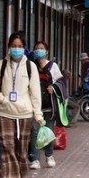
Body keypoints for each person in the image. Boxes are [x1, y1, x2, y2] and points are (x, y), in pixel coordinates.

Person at [0, 32, 44, 178]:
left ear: (24, 48)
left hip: (25, 114)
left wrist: (38, 115)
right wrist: (2, 99)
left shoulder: (31, 67)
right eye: (13, 46)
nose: (16, 49)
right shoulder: (0, 66)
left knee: (21, 149)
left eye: (19, 46)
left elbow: (35, 93)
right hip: (5, 113)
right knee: (6, 146)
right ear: (9, 47)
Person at [28, 41, 63, 169]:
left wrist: (53, 88)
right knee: (35, 133)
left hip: (49, 106)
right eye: (37, 48)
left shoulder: (53, 67)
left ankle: (49, 156)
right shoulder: (31, 66)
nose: (39, 50)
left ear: (47, 51)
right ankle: (35, 159)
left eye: (42, 48)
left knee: (48, 132)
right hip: (35, 106)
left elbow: (61, 83)